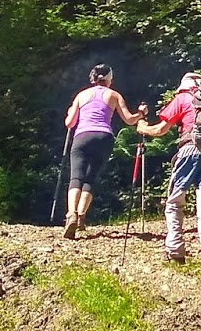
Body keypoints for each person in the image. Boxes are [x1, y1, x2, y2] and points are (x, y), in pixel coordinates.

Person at [137, 72, 201, 272]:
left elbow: (161, 130)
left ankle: (175, 251)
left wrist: (143, 128)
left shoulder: (183, 98)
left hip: (190, 151)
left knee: (175, 202)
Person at [62, 63, 145, 240]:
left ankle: (71, 214)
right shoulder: (114, 95)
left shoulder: (81, 95)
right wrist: (140, 113)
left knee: (76, 177)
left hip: (82, 136)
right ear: (108, 79)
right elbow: (129, 120)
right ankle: (81, 216)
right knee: (91, 178)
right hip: (103, 137)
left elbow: (69, 123)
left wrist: (70, 112)